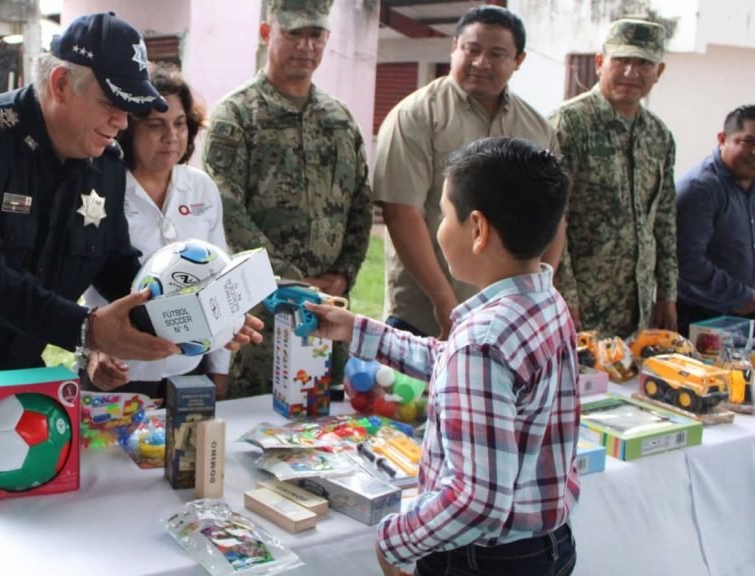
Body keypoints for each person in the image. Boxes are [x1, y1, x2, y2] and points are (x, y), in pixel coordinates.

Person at [0, 13, 261, 575]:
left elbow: (115, 264)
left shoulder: (103, 163)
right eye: (112, 104)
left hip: (10, 383)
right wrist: (86, 331)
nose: (122, 121)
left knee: (1, 542)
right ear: (61, 85)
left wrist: (195, 316)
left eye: (129, 107)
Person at [308, 137, 578, 576]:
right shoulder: (545, 303)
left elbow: (478, 500)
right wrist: (357, 330)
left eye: (444, 213)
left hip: (479, 561)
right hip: (546, 547)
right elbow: (456, 363)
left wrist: (395, 540)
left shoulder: (483, 340)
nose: (439, 227)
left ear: (477, 229)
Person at [202, 0, 373, 398]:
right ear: (267, 34)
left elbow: (362, 204)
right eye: (294, 33)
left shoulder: (339, 118)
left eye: (316, 35)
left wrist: (344, 272)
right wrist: (294, 282)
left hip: (327, 311)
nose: (306, 46)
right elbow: (226, 210)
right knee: (253, 426)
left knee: (324, 430)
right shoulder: (236, 115)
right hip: (262, 317)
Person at [375, 5, 562, 339]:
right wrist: (444, 300)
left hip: (510, 320)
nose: (481, 63)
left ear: (518, 60)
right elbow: (402, 213)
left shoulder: (536, 128)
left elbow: (553, 217)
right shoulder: (415, 117)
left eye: (496, 53)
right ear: (454, 47)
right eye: (471, 50)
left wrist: (538, 294)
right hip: (426, 316)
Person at [83, 63, 232, 398]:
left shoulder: (201, 187)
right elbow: (80, 284)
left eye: (180, 124)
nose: (172, 137)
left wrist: (219, 371)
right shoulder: (100, 189)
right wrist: (94, 349)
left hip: (188, 371)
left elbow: (221, 278)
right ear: (129, 130)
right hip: (118, 374)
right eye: (156, 125)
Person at [549, 18, 677, 337]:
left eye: (644, 63)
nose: (632, 73)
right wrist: (566, 294)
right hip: (580, 304)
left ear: (658, 72)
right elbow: (550, 216)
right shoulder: (569, 124)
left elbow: (664, 219)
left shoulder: (658, 135)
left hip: (637, 306)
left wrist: (667, 294)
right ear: (600, 62)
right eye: (622, 60)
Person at [676, 105, 755, 334]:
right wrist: (742, 296)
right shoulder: (700, 188)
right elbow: (686, 261)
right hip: (702, 317)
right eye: (748, 142)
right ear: (722, 138)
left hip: (744, 316)